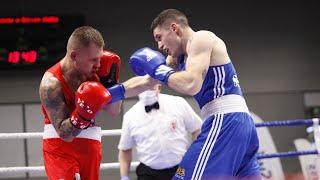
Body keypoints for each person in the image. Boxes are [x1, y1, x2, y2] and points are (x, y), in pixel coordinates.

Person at [128, 9, 261, 179]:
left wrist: (160, 71)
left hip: (224, 120)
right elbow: (147, 81)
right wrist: (112, 93)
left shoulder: (201, 38)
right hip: (238, 124)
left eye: (159, 37)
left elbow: (191, 83)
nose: (159, 46)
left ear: (174, 28)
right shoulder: (176, 59)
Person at [39, 26, 123, 180]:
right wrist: (81, 116)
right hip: (60, 146)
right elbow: (65, 135)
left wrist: (111, 82)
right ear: (74, 56)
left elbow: (113, 111)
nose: (99, 64)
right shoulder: (51, 84)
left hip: (90, 144)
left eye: (100, 57)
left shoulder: (95, 71)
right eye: (93, 60)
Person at [118, 84, 202, 180]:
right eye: (144, 86)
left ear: (158, 85)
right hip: (148, 173)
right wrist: (124, 176)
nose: (148, 89)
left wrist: (194, 157)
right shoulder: (130, 116)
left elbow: (197, 129)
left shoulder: (178, 103)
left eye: (150, 85)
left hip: (180, 168)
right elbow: (125, 149)